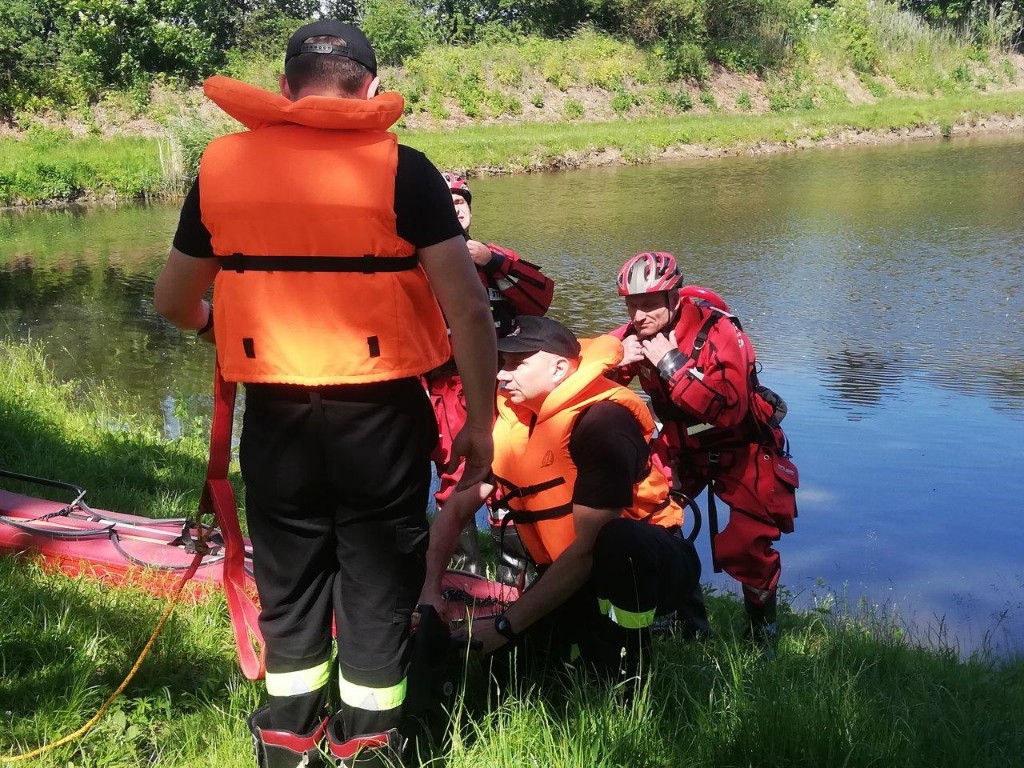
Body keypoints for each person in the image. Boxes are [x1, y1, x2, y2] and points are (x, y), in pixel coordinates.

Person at [153, 20, 497, 768]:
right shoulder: (404, 170)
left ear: (283, 88)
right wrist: (481, 419)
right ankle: (369, 747)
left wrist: (226, 327)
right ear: (371, 90)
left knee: (291, 580)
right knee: (375, 585)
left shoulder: (220, 167)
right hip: (381, 418)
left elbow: (175, 302)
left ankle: (285, 745)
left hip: (277, 418)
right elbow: (469, 308)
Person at [417, 316, 705, 689]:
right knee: (508, 673)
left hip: (648, 563)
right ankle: (574, 636)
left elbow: (588, 549)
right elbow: (455, 510)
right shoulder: (513, 422)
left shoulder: (603, 423)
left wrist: (506, 624)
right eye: (502, 362)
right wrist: (429, 590)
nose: (502, 375)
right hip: (567, 571)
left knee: (619, 543)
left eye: (517, 363)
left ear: (558, 368)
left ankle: (627, 665)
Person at [608, 251, 798, 645]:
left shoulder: (721, 332)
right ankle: (685, 619)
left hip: (743, 448)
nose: (637, 316)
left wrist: (671, 364)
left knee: (747, 545)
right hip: (683, 450)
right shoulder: (635, 333)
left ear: (674, 299)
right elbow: (581, 363)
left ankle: (762, 631)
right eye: (630, 306)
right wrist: (613, 358)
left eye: (647, 305)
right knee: (650, 515)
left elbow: (730, 409)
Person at [426, 172, 554, 579]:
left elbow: (542, 297)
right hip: (447, 385)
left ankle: (514, 579)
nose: (453, 209)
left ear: (470, 209)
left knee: (510, 472)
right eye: (443, 202)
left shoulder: (494, 259)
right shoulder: (418, 262)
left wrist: (494, 260)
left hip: (504, 382)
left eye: (460, 201)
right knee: (457, 473)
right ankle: (463, 576)